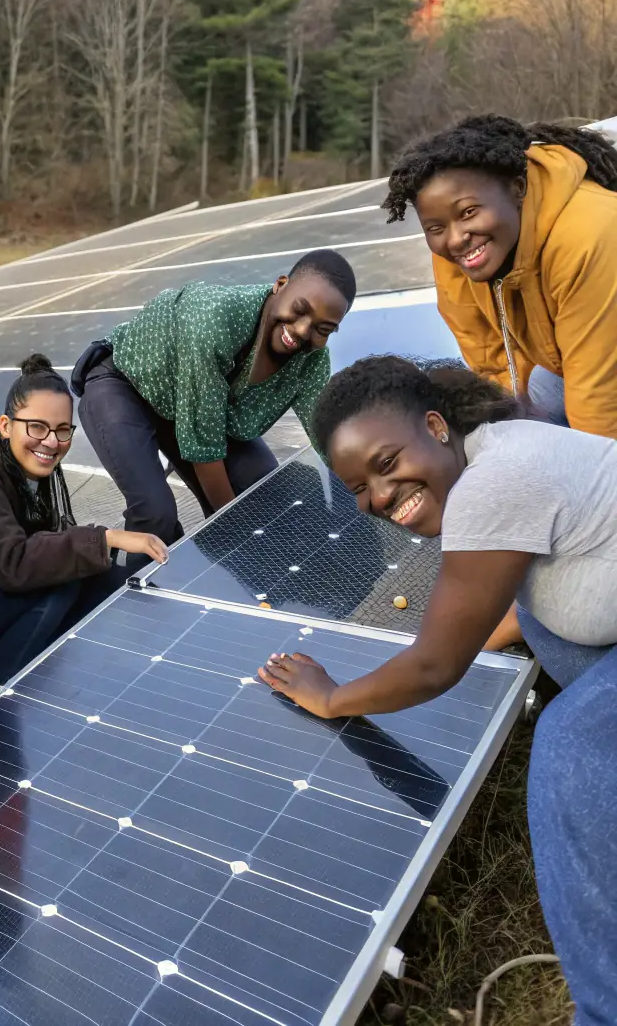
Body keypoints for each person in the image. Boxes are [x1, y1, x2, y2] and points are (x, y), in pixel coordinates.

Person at [259, 355, 616, 1023]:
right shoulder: (495, 450)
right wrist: (469, 632)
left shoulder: (494, 482)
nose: (379, 496)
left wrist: (332, 696)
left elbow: (433, 666)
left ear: (434, 424)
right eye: (359, 487)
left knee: (570, 746)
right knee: (535, 615)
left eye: (387, 462)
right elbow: (495, 608)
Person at [72, 249, 357, 562]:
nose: (303, 331)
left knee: (262, 485)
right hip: (125, 386)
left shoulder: (312, 359)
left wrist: (364, 498)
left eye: (323, 329)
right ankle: (146, 598)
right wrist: (238, 535)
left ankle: (234, 573)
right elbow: (205, 452)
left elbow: (328, 435)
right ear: (280, 285)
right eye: (300, 310)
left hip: (188, 404)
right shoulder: (215, 320)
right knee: (156, 514)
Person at [0, 354, 168, 705]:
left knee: (102, 576)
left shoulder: (29, 465)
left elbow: (50, 541)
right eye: (37, 427)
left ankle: (57, 671)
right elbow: (13, 564)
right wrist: (106, 537)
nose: (51, 441)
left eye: (62, 430)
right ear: (5, 426)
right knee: (60, 574)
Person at [383, 113, 617, 436]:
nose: (455, 238)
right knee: (530, 396)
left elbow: (598, 403)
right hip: (572, 366)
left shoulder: (590, 235)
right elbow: (492, 363)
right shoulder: (457, 253)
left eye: (468, 212)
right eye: (435, 227)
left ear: (517, 188)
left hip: (604, 367)